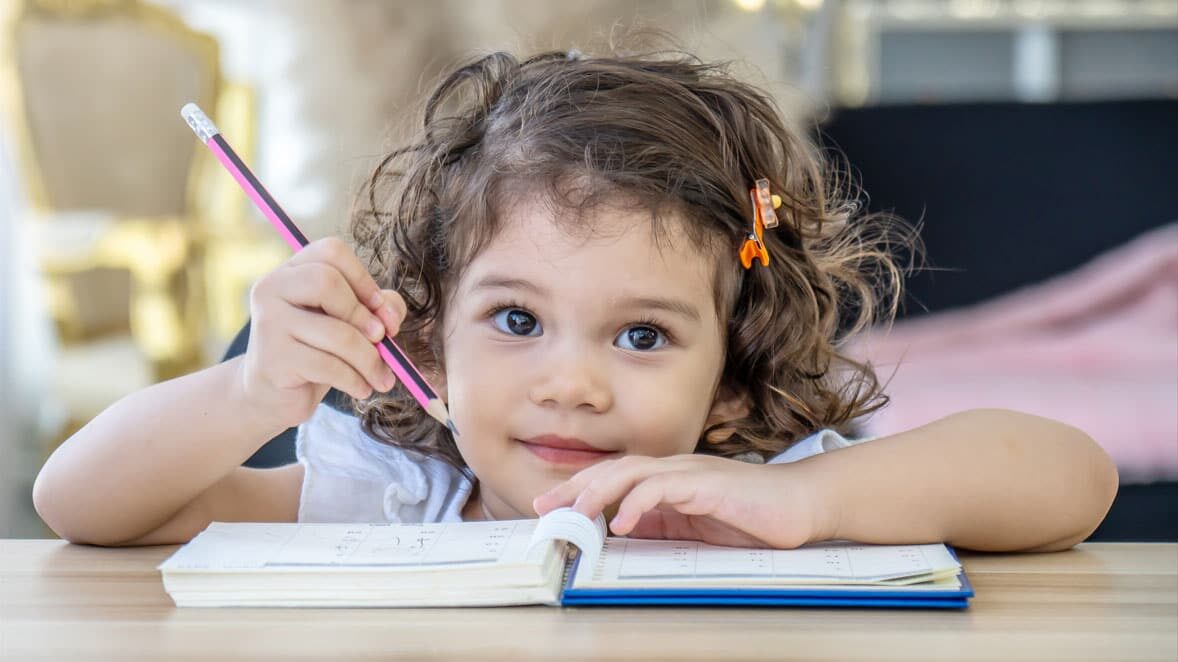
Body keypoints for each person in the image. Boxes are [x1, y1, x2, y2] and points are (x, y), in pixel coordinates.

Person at [33, 48, 1117, 551]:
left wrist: (816, 503)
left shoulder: (752, 502)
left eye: (641, 333)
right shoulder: (399, 499)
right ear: (428, 339)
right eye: (515, 319)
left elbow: (1072, 476)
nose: (570, 381)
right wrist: (247, 394)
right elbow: (80, 506)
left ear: (731, 383)